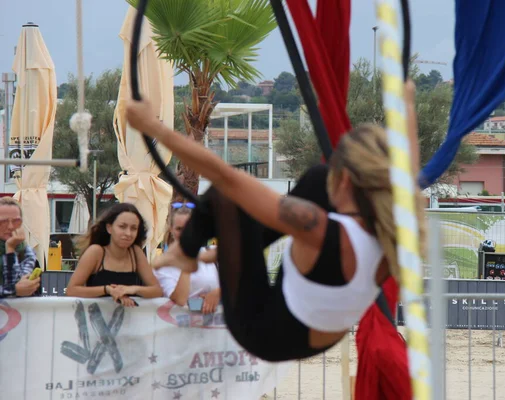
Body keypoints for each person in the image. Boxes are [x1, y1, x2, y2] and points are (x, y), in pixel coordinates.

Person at [126, 82, 416, 362]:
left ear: (346, 179)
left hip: (263, 330)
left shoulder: (319, 227)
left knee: (227, 195)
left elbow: (225, 177)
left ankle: (186, 251)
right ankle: (201, 252)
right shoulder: (400, 227)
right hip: (313, 332)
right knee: (316, 178)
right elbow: (408, 171)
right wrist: (407, 106)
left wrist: (153, 127)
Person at [66, 203, 162, 307]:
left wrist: (133, 289)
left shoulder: (135, 253)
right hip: (95, 319)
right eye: (122, 227)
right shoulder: (96, 252)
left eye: (133, 228)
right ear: (109, 228)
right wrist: (107, 290)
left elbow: (157, 290)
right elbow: (71, 290)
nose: (128, 233)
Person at [154, 203, 220, 312]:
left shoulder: (214, 253)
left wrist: (218, 293)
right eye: (179, 229)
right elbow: (180, 300)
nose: (185, 234)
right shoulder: (163, 267)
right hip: (181, 326)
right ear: (171, 230)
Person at [0, 197, 39, 297]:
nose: (10, 227)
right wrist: (13, 290)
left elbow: (18, 287)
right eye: (3, 222)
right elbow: (16, 289)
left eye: (16, 221)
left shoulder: (27, 252)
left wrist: (10, 249)